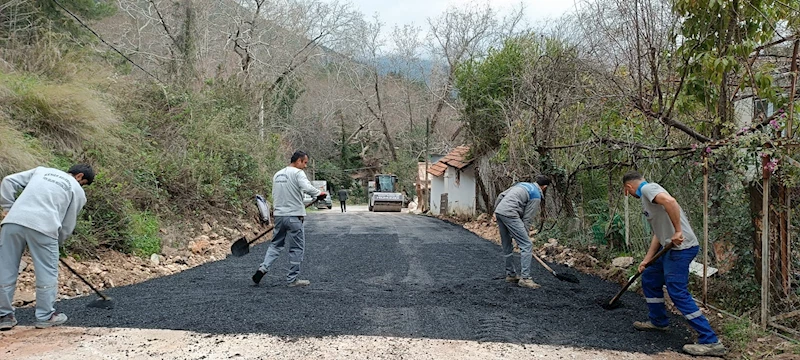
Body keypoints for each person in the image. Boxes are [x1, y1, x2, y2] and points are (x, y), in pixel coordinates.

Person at [622, 171, 726, 357]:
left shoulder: (648, 189)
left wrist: (678, 231)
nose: (629, 195)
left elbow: (671, 202)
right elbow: (658, 232)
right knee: (650, 277)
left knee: (677, 292)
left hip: (681, 249)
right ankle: (659, 321)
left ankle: (711, 341)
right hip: (668, 248)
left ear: (629, 187)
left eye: (627, 192)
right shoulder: (648, 198)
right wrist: (647, 260)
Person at [0, 164, 94, 330]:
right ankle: (45, 316)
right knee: (47, 271)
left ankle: (4, 316)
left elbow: (8, 181)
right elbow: (68, 223)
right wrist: (57, 243)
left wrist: (8, 207)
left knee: (5, 268)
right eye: (83, 183)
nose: (82, 186)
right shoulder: (77, 191)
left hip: (12, 222)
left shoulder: (41, 171)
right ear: (79, 176)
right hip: (45, 227)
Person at [252, 151, 325, 287]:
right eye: (305, 162)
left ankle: (263, 267)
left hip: (279, 216)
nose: (305, 166)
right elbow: (306, 187)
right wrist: (319, 193)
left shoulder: (277, 174)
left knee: (275, 245)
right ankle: (292, 280)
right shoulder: (297, 173)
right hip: (294, 217)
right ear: (298, 161)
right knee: (296, 248)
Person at [493, 175, 550, 289]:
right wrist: (524, 235)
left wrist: (496, 211)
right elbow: (527, 218)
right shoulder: (536, 195)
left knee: (507, 244)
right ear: (544, 187)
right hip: (511, 213)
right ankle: (525, 278)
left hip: (500, 211)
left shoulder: (522, 185)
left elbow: (501, 196)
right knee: (527, 245)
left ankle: (511, 274)